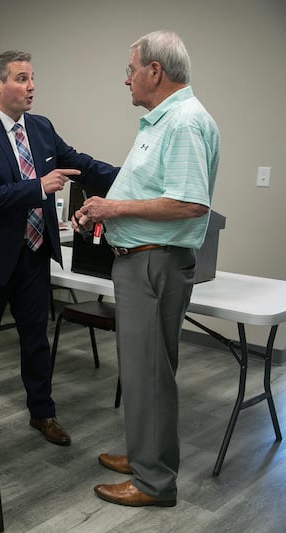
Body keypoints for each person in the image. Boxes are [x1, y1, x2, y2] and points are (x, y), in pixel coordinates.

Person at [0, 51, 118, 447]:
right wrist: (38, 187)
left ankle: (43, 413)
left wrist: (131, 177)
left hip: (33, 253)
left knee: (36, 336)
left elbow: (79, 165)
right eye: (22, 78)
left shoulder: (40, 128)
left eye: (32, 78)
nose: (31, 86)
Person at [78, 31, 219, 507]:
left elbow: (189, 204)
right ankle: (144, 456)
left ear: (155, 71)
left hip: (153, 264)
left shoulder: (181, 123)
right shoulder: (163, 122)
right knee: (144, 374)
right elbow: (150, 190)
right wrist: (102, 208)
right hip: (141, 262)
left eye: (131, 69)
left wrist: (112, 212)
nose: (127, 80)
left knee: (151, 376)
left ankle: (154, 482)